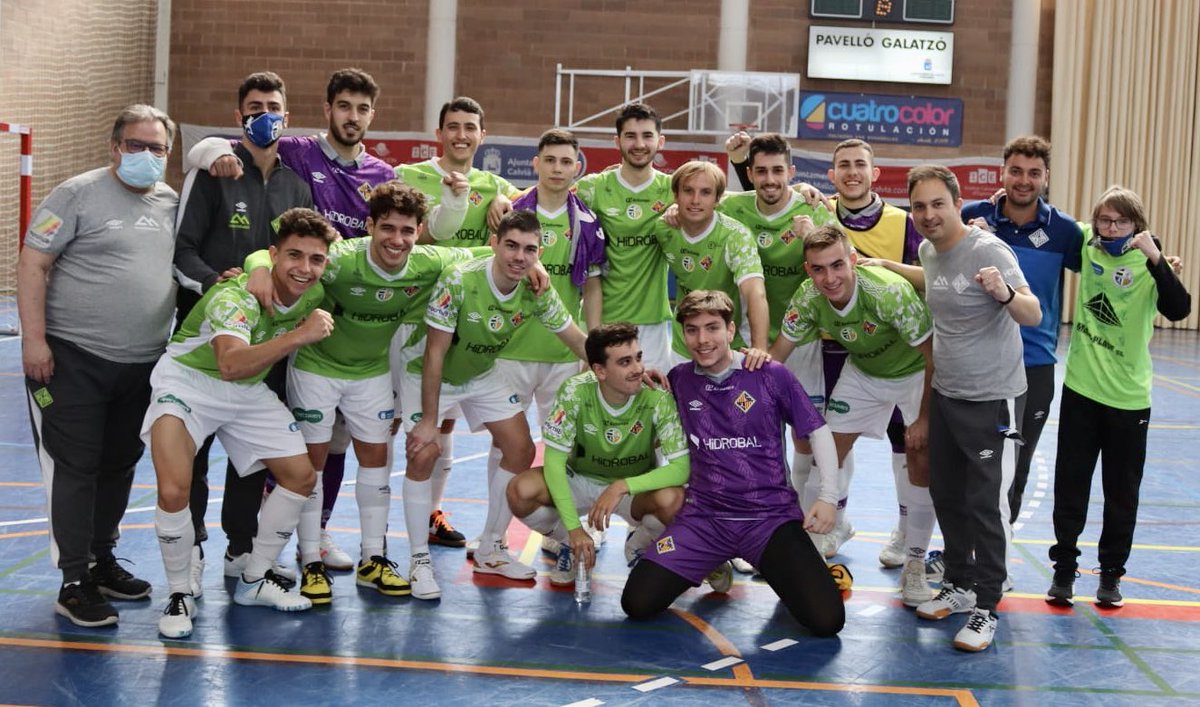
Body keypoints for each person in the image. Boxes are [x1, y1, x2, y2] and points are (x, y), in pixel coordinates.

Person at [188, 68, 397, 569]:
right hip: (250, 317)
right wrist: (209, 151)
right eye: (343, 106)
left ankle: (291, 537)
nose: (352, 116)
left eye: (362, 108)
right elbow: (217, 144)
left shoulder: (369, 177)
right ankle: (211, 547)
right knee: (234, 445)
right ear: (326, 111)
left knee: (320, 441)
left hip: (320, 325)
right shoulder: (294, 152)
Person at [241, 179, 470, 604]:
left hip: (372, 373)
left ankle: (374, 558)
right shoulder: (341, 260)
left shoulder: (428, 262)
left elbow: (479, 257)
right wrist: (257, 267)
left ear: (420, 232)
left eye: (406, 230)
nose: (396, 239)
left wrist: (532, 266)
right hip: (316, 369)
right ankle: (310, 558)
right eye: (387, 228)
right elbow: (273, 253)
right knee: (310, 467)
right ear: (369, 226)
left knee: (377, 461)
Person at [19, 104, 178, 628]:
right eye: (137, 145)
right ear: (115, 147)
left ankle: (102, 560)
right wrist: (35, 342)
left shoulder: (172, 202)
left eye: (157, 148)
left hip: (141, 365)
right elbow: (33, 263)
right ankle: (72, 579)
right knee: (77, 465)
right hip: (72, 359)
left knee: (118, 464)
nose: (147, 156)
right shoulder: (76, 193)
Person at [147, 208, 337, 638]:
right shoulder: (235, 297)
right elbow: (230, 363)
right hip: (190, 383)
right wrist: (301, 334)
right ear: (273, 256)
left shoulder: (315, 286)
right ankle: (179, 592)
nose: (304, 268)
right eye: (293, 256)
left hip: (246, 391)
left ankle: (254, 579)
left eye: (316, 259)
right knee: (173, 487)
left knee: (301, 476)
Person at [735, 136, 922, 563]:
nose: (852, 171)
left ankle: (908, 532)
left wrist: (886, 268)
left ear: (875, 173)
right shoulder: (816, 207)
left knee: (905, 443)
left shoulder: (902, 221)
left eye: (861, 164)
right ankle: (832, 522)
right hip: (833, 346)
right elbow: (753, 194)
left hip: (896, 347)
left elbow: (925, 274)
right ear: (831, 175)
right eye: (843, 165)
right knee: (830, 440)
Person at [620, 290, 844, 636]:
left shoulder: (769, 374)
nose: (702, 339)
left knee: (827, 621)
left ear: (730, 330)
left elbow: (818, 431)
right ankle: (714, 560)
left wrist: (828, 497)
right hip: (705, 521)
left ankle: (779, 566)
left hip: (768, 520)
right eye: (692, 330)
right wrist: (642, 376)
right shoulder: (679, 380)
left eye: (712, 328)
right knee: (637, 603)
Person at [173, 71, 313, 593]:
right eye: (254, 107)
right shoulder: (216, 170)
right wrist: (217, 281)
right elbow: (181, 251)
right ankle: (191, 548)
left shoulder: (296, 185)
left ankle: (240, 546)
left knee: (251, 450)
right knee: (193, 450)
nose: (264, 115)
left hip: (267, 344)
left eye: (273, 106)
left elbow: (303, 261)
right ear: (239, 117)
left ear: (287, 115)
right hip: (210, 338)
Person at [401, 209, 588, 600]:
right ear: (494, 245)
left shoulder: (536, 288)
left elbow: (574, 338)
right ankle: (418, 560)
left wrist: (621, 367)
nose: (520, 256)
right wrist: (430, 420)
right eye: (512, 246)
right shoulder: (461, 279)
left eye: (530, 250)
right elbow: (435, 353)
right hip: (428, 371)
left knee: (519, 449)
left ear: (539, 253)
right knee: (424, 452)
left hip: (481, 372)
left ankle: (491, 548)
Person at [907, 165, 1040, 653]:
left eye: (938, 204)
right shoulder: (928, 250)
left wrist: (1003, 293)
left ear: (957, 203)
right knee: (947, 494)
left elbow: (1033, 311)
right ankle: (961, 586)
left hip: (993, 399)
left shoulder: (988, 249)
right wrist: (878, 266)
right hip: (947, 395)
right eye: (919, 206)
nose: (928, 214)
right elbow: (935, 279)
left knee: (985, 505)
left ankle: (987, 605)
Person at [768, 225, 937, 607]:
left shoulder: (888, 293)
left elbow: (934, 357)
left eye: (837, 265)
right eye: (818, 269)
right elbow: (779, 353)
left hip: (914, 373)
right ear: (808, 270)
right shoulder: (809, 296)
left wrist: (924, 419)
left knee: (920, 459)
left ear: (853, 261)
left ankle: (914, 563)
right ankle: (807, 559)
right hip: (864, 372)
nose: (829, 278)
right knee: (823, 451)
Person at [1045, 186, 1190, 608]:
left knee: (1121, 493)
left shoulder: (1150, 264)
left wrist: (1158, 260)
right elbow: (1048, 219)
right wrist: (995, 206)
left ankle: (1110, 576)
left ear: (1136, 226)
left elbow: (1180, 309)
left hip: (1128, 400)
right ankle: (1064, 570)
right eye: (1105, 220)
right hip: (1081, 391)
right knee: (1070, 485)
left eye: (1120, 222)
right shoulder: (1089, 244)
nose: (1110, 228)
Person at [396, 96, 522, 551]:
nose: (461, 135)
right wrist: (450, 205)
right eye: (453, 126)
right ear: (439, 133)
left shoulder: (496, 185)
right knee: (389, 428)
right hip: (409, 321)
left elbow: (525, 222)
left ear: (482, 136)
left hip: (467, 326)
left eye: (470, 127)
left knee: (444, 424)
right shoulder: (409, 178)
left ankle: (431, 514)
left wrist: (505, 198)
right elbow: (409, 238)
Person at [960, 136, 1085, 528]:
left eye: (1034, 173)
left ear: (1046, 177)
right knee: (970, 461)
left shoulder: (1065, 231)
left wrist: (1156, 262)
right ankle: (959, 552)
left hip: (1034, 365)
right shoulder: (972, 216)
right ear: (1003, 173)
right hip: (976, 358)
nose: (1024, 180)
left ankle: (996, 553)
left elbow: (1106, 261)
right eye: (1016, 171)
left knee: (1018, 462)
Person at [507, 323, 688, 584]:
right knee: (520, 490)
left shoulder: (657, 396)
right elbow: (554, 464)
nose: (638, 369)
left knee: (676, 501)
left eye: (638, 358)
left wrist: (620, 486)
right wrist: (574, 530)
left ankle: (639, 544)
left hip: (633, 490)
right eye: (625, 362)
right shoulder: (574, 392)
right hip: (579, 480)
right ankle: (571, 544)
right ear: (600, 370)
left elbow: (681, 469)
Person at [573, 102, 675, 372]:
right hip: (602, 320)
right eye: (630, 136)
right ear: (617, 141)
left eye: (647, 136)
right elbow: (548, 195)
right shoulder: (592, 187)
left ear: (660, 141)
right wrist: (501, 198)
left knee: (655, 406)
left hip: (652, 325)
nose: (639, 144)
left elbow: (723, 198)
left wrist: (798, 191)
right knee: (598, 410)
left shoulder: (673, 190)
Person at [649, 160, 768, 363]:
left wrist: (759, 348)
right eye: (688, 191)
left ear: (717, 199)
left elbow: (755, 293)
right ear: (676, 196)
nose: (696, 200)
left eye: (705, 192)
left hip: (728, 343)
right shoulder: (663, 228)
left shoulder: (735, 236)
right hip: (682, 344)